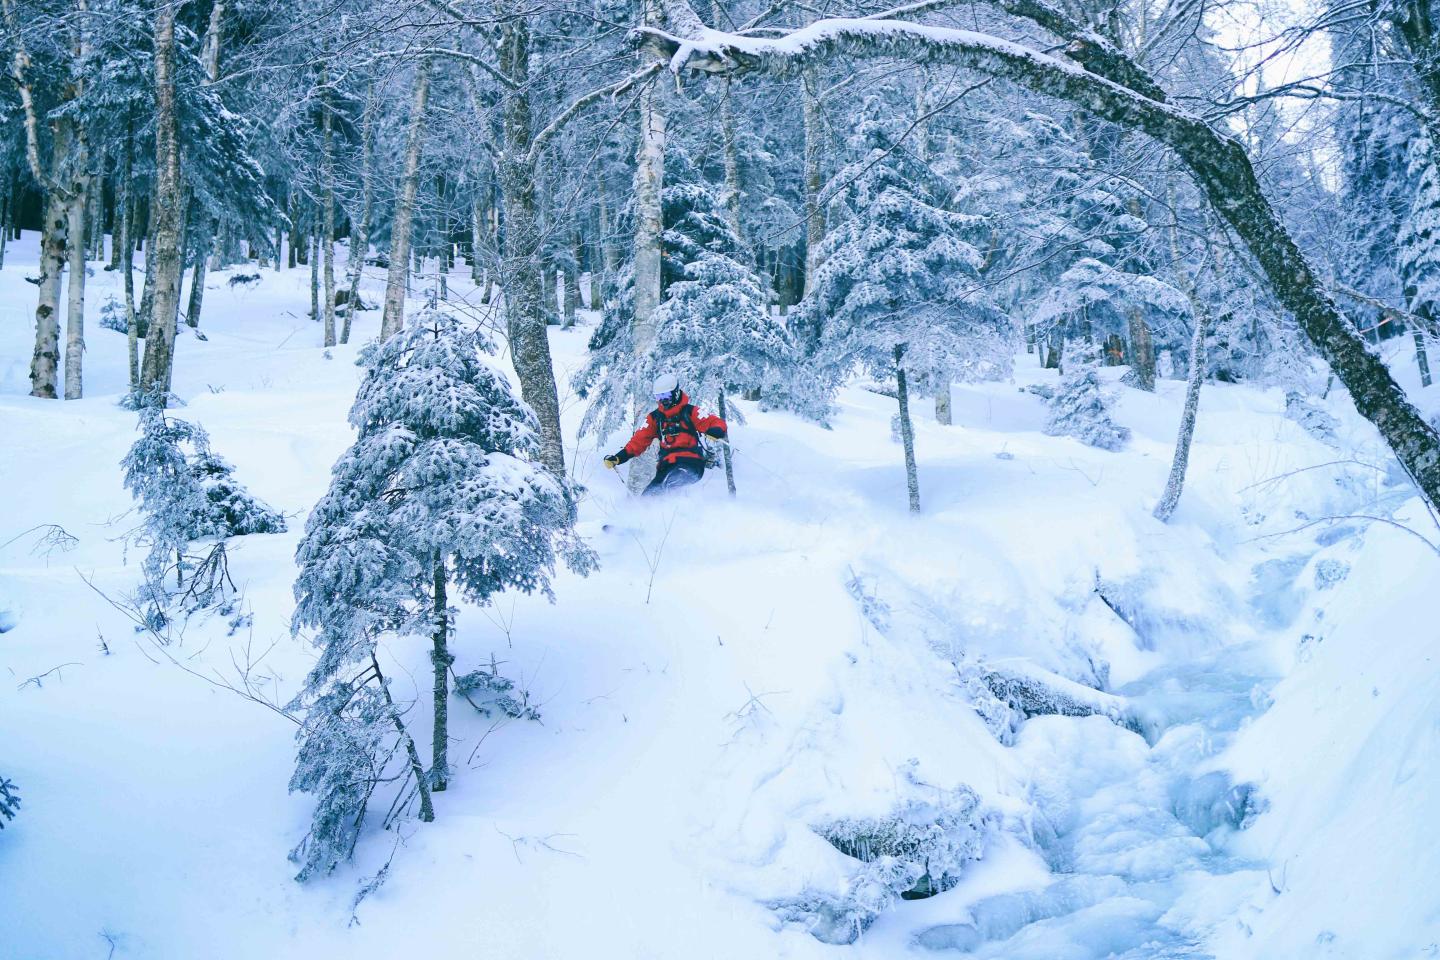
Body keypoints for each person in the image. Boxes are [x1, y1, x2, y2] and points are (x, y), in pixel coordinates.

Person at [603, 373, 728, 495]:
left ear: (676, 393)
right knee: (649, 497)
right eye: (658, 397)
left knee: (670, 484)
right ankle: (659, 515)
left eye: (666, 395)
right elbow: (638, 441)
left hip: (690, 464)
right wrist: (619, 457)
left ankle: (682, 511)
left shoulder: (690, 412)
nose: (663, 400)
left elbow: (715, 422)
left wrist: (715, 430)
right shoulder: (655, 418)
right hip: (666, 467)